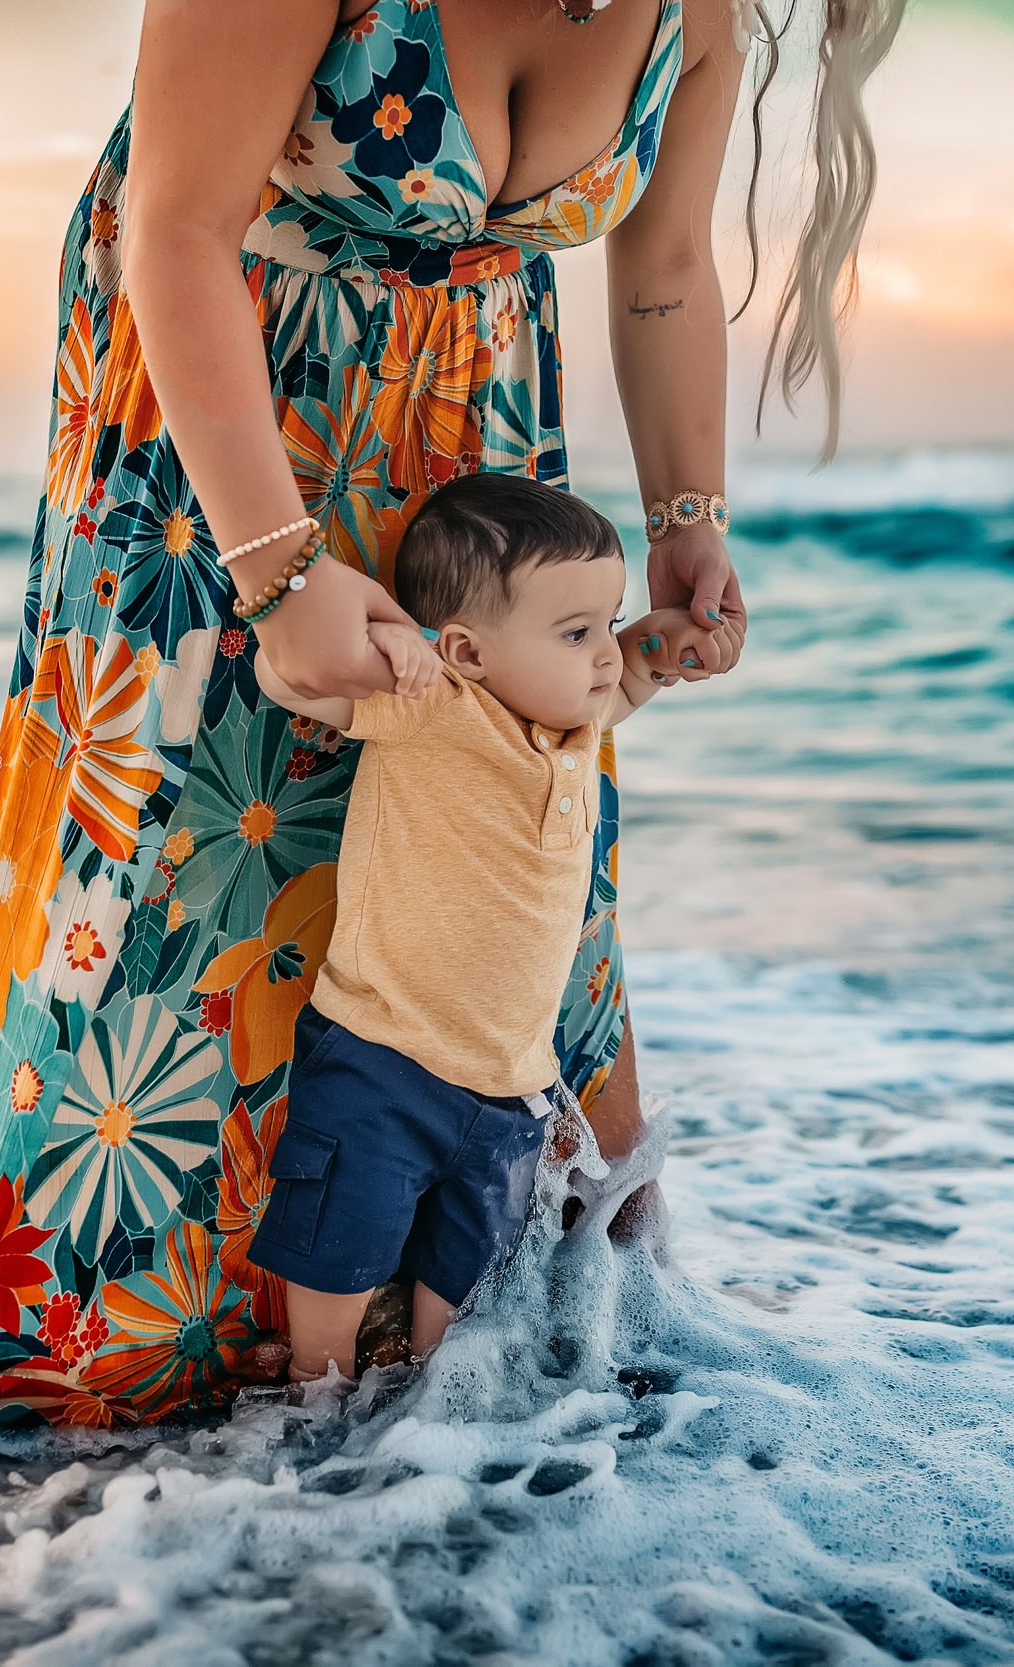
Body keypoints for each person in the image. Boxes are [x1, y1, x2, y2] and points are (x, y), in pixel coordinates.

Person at [0, 0, 906, 1438]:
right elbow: (172, 227)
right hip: (220, 412)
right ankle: (143, 1330)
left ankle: (476, 1333)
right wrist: (276, 567)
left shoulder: (694, 17)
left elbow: (667, 265)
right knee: (199, 858)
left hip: (476, 442)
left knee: (493, 837)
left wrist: (691, 519)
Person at [245, 472, 717, 1381]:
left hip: (510, 1082)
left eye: (606, 620)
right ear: (463, 648)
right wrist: (390, 643)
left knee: (468, 1271)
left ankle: (432, 1398)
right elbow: (283, 671)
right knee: (341, 1232)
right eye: (577, 633)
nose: (606, 654)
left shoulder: (579, 725)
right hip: (387, 1052)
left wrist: (675, 642)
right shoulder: (433, 706)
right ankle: (313, 1388)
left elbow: (644, 666)